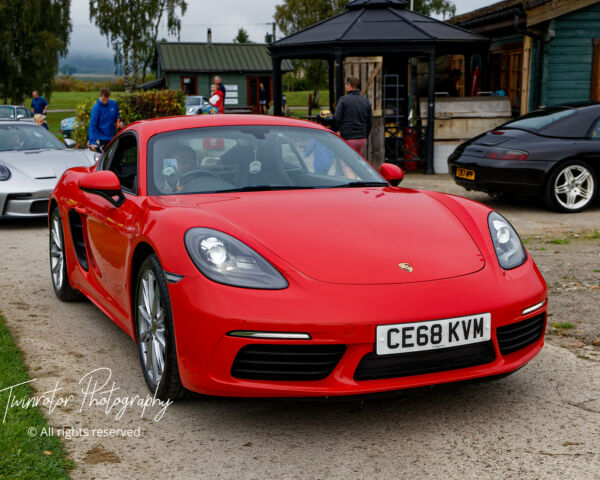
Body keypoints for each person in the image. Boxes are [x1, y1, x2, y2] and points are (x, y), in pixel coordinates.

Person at [333, 77, 373, 156]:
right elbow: (370, 122)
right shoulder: (366, 101)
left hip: (348, 137)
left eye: (346, 85)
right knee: (357, 164)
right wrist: (365, 135)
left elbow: (336, 118)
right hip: (362, 139)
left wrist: (337, 129)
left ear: (349, 86)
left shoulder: (343, 99)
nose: (345, 87)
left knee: (346, 165)